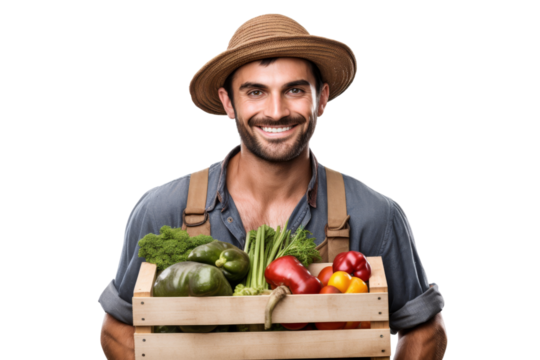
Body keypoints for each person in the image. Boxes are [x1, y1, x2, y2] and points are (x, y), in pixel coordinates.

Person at [98, 12, 447, 360]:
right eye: (255, 92)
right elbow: (118, 328)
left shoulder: (374, 215)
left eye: (295, 90)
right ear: (228, 102)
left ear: (321, 98)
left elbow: (424, 331)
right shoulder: (162, 209)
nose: (276, 111)